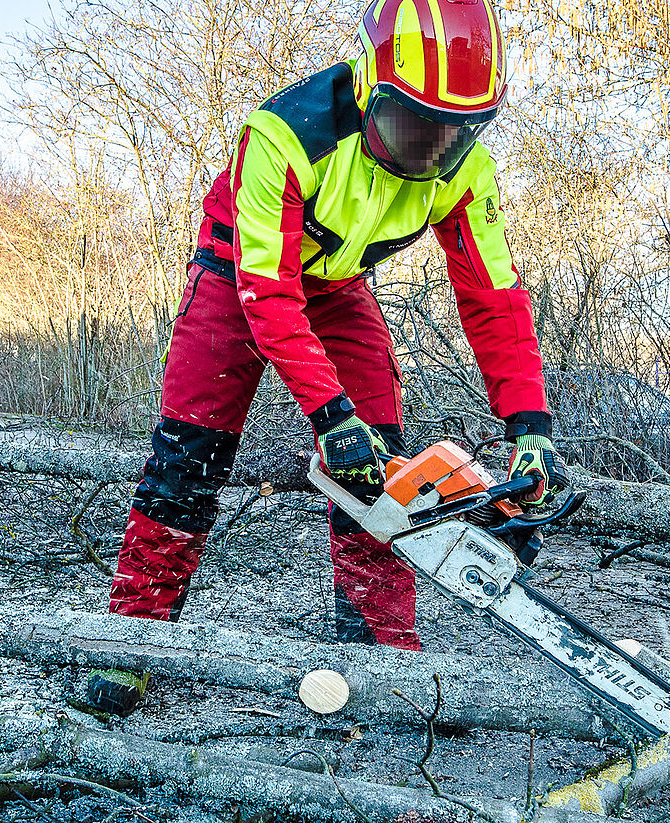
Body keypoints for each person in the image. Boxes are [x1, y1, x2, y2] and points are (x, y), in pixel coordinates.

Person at [81, 0, 565, 716]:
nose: (430, 150)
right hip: (238, 273)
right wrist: (328, 413)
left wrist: (530, 424)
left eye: (454, 133)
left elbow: (494, 297)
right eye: (412, 125)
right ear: (370, 87)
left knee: (383, 462)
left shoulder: (466, 173)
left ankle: (376, 645)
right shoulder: (284, 134)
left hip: (336, 286)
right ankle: (131, 641)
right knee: (189, 453)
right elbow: (268, 293)